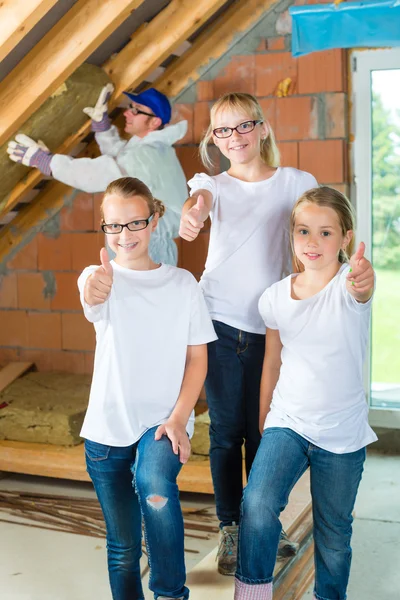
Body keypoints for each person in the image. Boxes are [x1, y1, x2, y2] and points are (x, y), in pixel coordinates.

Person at [179, 92, 318, 575]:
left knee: (264, 431)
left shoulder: (296, 183)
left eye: (243, 127)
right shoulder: (211, 183)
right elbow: (201, 200)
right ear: (213, 139)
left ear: (262, 129)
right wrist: (193, 214)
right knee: (225, 432)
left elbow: (316, 233)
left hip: (270, 330)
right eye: (222, 130)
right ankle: (231, 527)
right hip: (216, 321)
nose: (234, 137)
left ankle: (263, 521)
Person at [77, 176, 217, 600]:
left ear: (154, 220)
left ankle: (170, 594)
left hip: (163, 422)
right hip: (105, 431)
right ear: (104, 227)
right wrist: (95, 287)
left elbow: (197, 359)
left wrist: (180, 417)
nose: (125, 235)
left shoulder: (182, 284)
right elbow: (91, 294)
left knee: (155, 485)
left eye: (135, 223)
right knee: (121, 548)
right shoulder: (97, 276)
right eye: (114, 226)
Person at [234, 186, 377, 600]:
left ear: (346, 238)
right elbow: (272, 362)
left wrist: (362, 280)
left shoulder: (350, 287)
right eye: (303, 231)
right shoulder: (275, 297)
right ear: (292, 235)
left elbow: (361, 290)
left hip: (342, 432)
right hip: (288, 422)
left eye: (326, 233)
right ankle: (252, 594)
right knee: (258, 505)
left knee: (333, 535)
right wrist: (264, 425)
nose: (312, 243)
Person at [8, 85, 187, 265]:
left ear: (155, 122)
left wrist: (45, 161)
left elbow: (96, 174)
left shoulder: (145, 155)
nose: (127, 113)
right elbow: (121, 156)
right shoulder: (154, 149)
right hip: (145, 239)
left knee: (131, 291)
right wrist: (102, 126)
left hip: (146, 246)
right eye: (130, 107)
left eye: (136, 110)